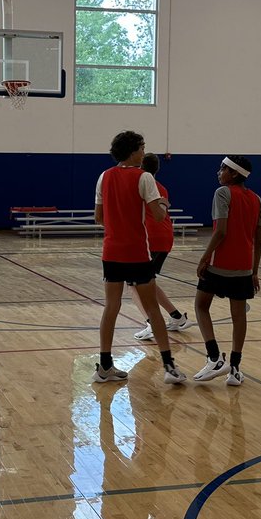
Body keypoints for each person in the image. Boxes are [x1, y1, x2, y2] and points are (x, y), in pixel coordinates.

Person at [92, 131, 186, 385]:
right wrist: (163, 204)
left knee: (111, 308)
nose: (144, 152)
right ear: (133, 151)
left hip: (111, 251)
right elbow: (157, 216)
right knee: (153, 309)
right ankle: (169, 366)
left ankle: (105, 366)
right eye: (142, 147)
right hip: (136, 253)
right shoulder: (144, 177)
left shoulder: (104, 176)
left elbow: (98, 218)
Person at [192, 156, 261, 386]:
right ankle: (234, 368)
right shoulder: (256, 199)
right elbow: (259, 240)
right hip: (243, 268)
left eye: (223, 168)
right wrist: (254, 271)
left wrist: (204, 258)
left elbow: (221, 231)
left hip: (219, 264)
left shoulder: (222, 193)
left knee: (201, 306)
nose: (219, 172)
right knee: (239, 316)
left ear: (234, 174)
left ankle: (214, 357)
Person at [131, 152, 192, 341]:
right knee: (148, 282)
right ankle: (177, 317)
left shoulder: (138, 185)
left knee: (134, 285)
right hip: (165, 237)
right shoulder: (162, 188)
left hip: (149, 238)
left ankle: (150, 323)